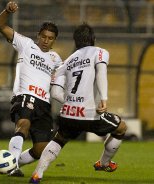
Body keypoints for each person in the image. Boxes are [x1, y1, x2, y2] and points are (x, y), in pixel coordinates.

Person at [29, 23, 128, 183]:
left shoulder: (65, 62)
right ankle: (103, 163)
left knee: (59, 140)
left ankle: (37, 175)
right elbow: (101, 71)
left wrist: (71, 103)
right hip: (90, 113)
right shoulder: (100, 52)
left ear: (75, 42)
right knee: (121, 128)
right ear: (93, 39)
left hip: (68, 113)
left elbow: (54, 93)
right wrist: (104, 98)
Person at [0, 1, 63, 177]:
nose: (46, 41)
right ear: (38, 35)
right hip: (26, 96)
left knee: (41, 149)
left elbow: (64, 76)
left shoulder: (56, 58)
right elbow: (0, 25)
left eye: (50, 38)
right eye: (43, 36)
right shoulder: (26, 44)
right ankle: (12, 168)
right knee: (23, 124)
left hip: (44, 104)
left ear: (54, 40)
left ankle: (11, 161)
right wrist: (7, 11)